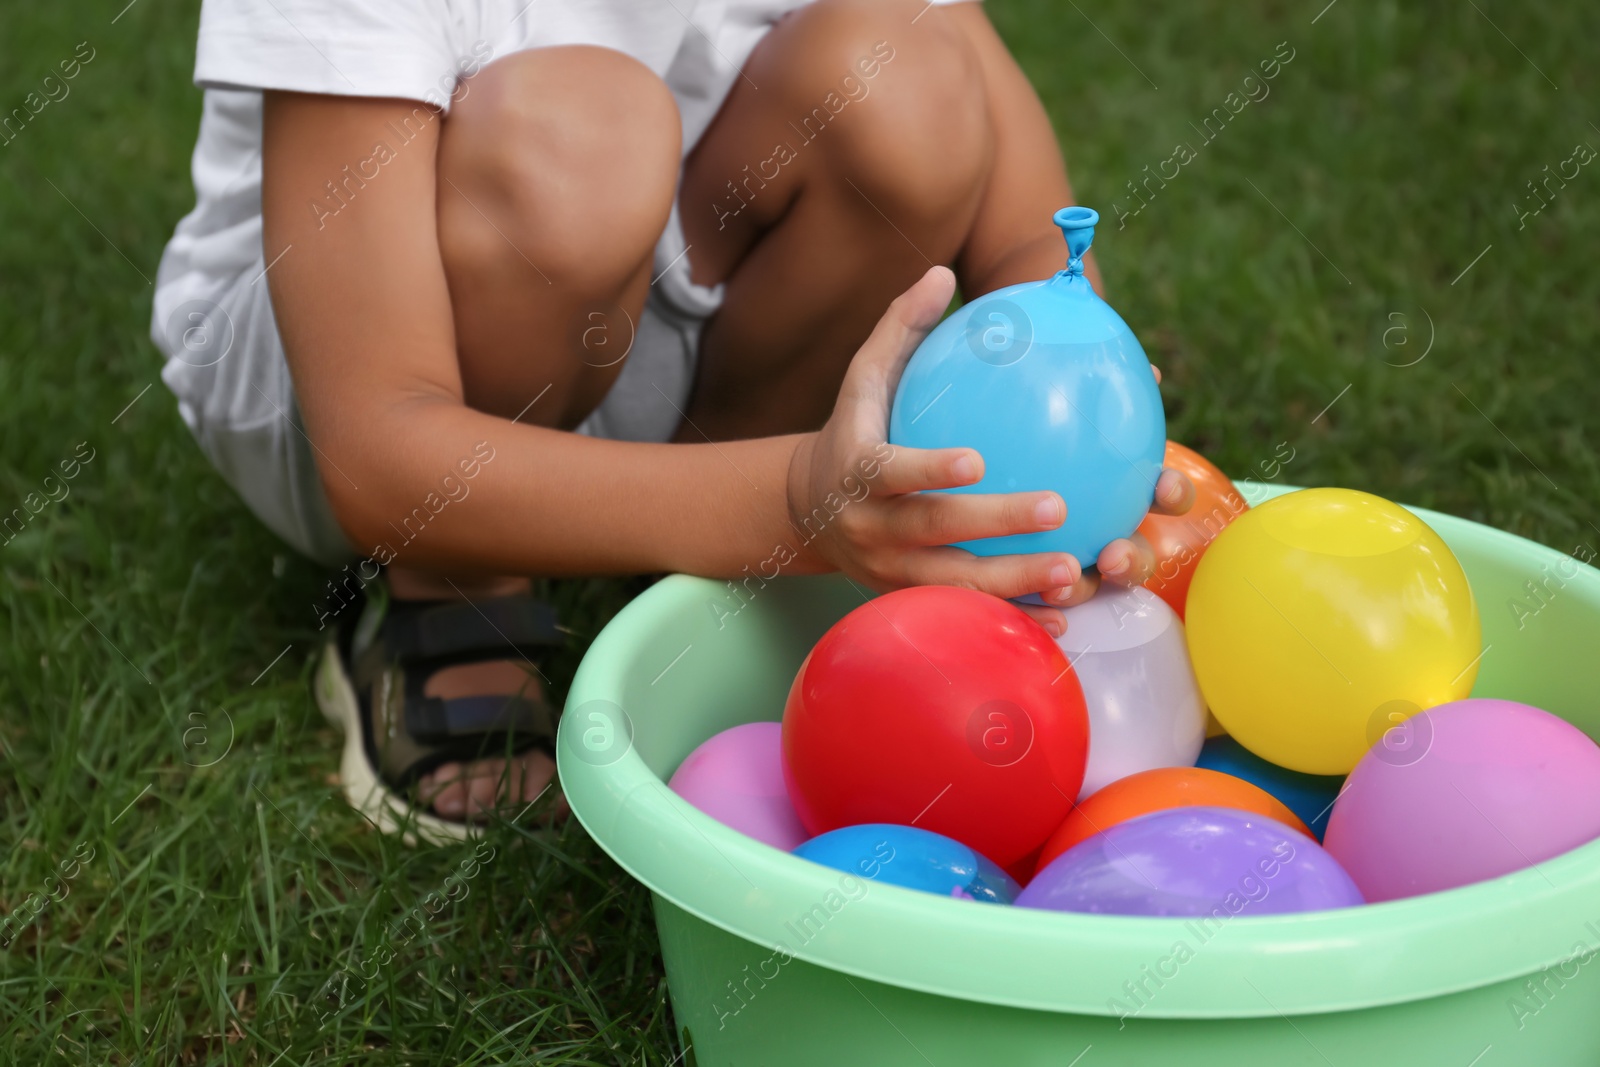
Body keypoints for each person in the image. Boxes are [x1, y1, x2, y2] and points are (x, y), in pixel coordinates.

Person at [151, 0, 1192, 840]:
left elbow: (1016, 222)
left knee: (905, 77)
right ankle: (452, 595)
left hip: (662, 314)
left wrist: (1082, 393)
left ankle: (701, 545)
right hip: (352, 376)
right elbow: (377, 448)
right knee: (582, 132)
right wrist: (795, 501)